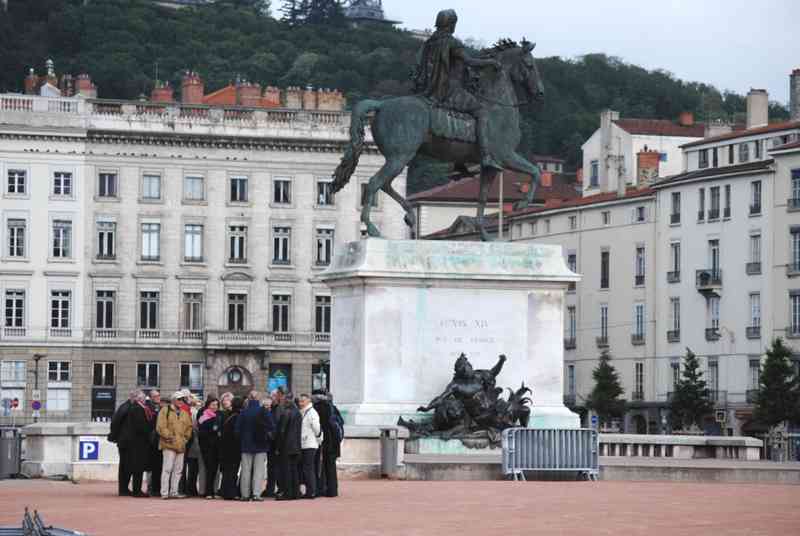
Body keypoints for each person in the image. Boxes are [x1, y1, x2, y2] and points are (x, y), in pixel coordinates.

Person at [411, 8, 503, 172]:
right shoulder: (451, 42)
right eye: (454, 23)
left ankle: (459, 162)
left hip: (430, 89)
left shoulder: (430, 42)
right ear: (451, 24)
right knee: (481, 112)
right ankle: (486, 156)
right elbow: (469, 61)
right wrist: (490, 62)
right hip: (450, 90)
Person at [236, 391, 274, 501]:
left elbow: (237, 429)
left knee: (246, 470)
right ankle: (256, 494)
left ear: (248, 398)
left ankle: (245, 494)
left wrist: (242, 439)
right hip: (261, 444)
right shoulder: (264, 411)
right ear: (258, 398)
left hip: (246, 445)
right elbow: (272, 426)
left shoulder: (244, 412)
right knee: (259, 471)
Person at [156, 391, 193, 499]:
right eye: (179, 399)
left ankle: (174, 491)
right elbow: (160, 426)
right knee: (167, 469)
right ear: (173, 400)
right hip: (169, 444)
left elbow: (189, 427)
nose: (181, 401)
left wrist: (185, 438)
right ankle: (164, 492)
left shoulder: (184, 413)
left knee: (178, 470)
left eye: (182, 399)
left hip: (181, 445)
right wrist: (169, 436)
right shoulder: (165, 411)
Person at [122, 391, 155, 498]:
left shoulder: (141, 408)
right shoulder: (136, 409)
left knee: (139, 467)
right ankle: (137, 490)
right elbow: (140, 426)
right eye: (144, 398)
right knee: (138, 467)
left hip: (140, 442)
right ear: (139, 399)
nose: (145, 399)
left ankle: (137, 489)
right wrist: (150, 428)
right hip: (138, 443)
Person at [313, 391, 343, 497]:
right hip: (334, 442)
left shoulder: (318, 408)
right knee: (331, 467)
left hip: (324, 441)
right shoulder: (333, 408)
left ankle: (320, 488)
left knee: (320, 465)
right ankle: (332, 490)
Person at [108, 390, 136, 496]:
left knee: (125, 465)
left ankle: (123, 488)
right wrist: (116, 436)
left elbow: (115, 423)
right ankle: (123, 489)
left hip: (123, 440)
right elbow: (116, 423)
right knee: (126, 465)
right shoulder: (126, 408)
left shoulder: (124, 407)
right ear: (133, 397)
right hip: (125, 441)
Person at [275, 393, 302, 501]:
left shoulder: (286, 413)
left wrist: (278, 446)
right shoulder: (298, 413)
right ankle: (296, 492)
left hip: (286, 446)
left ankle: (288, 493)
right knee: (294, 470)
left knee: (286, 470)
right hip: (296, 445)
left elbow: (282, 431)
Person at [197, 396, 222, 499]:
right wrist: (214, 431)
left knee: (215, 469)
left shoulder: (218, 415)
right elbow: (201, 433)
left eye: (216, 405)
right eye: (212, 405)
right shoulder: (204, 416)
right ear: (208, 405)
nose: (214, 407)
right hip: (207, 447)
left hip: (217, 446)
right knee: (209, 469)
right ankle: (208, 492)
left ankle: (213, 491)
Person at [298, 393, 321, 499]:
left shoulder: (312, 412)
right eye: (300, 401)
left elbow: (317, 428)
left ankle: (311, 491)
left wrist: (318, 438)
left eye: (303, 401)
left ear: (308, 401)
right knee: (306, 468)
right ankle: (309, 490)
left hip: (310, 444)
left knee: (309, 468)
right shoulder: (303, 412)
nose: (300, 403)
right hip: (304, 444)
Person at [219, 396, 243, 500]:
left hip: (224, 446)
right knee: (233, 471)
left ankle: (224, 491)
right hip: (235, 447)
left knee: (226, 470)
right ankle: (231, 492)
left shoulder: (226, 415)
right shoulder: (239, 416)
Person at [146, 390, 163, 497]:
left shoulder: (158, 407)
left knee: (157, 467)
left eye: (158, 395)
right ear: (151, 397)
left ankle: (155, 488)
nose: (158, 397)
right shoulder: (150, 408)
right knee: (153, 467)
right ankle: (151, 488)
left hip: (157, 441)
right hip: (152, 442)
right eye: (155, 396)